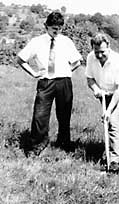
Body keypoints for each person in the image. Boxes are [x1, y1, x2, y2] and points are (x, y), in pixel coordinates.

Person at [17, 11, 82, 156]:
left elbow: (78, 61)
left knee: (64, 114)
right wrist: (34, 73)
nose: (57, 31)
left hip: (64, 82)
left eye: (59, 28)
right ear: (46, 26)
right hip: (46, 82)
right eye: (54, 28)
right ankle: (38, 145)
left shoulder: (66, 41)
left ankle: (64, 142)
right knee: (40, 115)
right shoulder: (37, 41)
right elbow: (20, 59)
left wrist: (67, 71)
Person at [85, 33, 119, 173]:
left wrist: (108, 110)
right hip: (104, 94)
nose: (99, 56)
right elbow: (90, 79)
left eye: (102, 52)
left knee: (112, 120)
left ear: (109, 48)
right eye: (96, 52)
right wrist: (95, 89)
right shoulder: (90, 58)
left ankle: (115, 162)